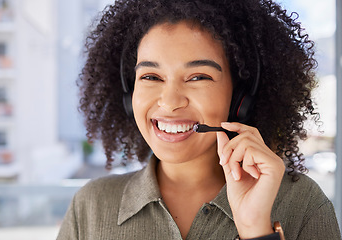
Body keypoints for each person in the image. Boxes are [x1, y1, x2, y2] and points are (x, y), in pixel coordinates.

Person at [57, 0, 341, 239]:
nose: (169, 101)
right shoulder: (91, 207)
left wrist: (255, 229)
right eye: (151, 77)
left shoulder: (303, 204)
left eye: (198, 77)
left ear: (240, 96)